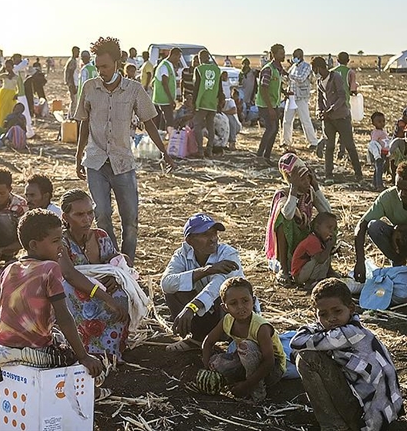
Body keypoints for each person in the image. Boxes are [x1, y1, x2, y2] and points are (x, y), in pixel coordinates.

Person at [0, 210, 104, 380]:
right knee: (75, 357)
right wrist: (83, 356)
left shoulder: (9, 269)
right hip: (35, 350)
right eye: (56, 241)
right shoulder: (50, 269)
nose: (61, 246)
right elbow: (64, 317)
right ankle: (94, 388)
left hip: (4, 343)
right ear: (33, 245)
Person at [75, 37, 175, 262]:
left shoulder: (133, 89)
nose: (101, 71)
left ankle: (127, 263)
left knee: (130, 220)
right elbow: (84, 123)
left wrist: (164, 152)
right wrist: (78, 155)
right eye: (98, 67)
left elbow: (149, 122)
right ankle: (113, 260)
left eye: (105, 66)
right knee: (102, 215)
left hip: (123, 163)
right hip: (95, 162)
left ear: (117, 63)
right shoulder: (90, 87)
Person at [291, 278, 403, 431]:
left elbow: (296, 342)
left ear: (351, 308)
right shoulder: (358, 330)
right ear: (316, 316)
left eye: (337, 311)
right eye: (323, 314)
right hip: (383, 414)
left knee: (307, 358)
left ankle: (334, 427)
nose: (331, 319)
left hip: (368, 417)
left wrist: (319, 325)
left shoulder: (347, 334)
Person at [58, 189, 134, 358]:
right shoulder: (61, 242)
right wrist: (106, 297)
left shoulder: (101, 236)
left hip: (101, 289)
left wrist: (115, 276)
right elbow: (69, 275)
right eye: (79, 214)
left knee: (122, 294)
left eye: (90, 212)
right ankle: (85, 351)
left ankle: (112, 352)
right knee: (71, 291)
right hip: (79, 291)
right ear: (65, 217)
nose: (87, 219)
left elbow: (118, 261)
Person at [161, 213, 244, 352]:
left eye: (214, 233)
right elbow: (166, 283)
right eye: (205, 234)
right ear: (189, 240)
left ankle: (235, 340)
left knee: (227, 294)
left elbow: (216, 288)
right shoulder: (182, 254)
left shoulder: (228, 255)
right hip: (207, 315)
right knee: (172, 291)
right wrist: (207, 270)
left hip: (232, 315)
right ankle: (197, 339)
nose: (213, 239)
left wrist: (191, 307)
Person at [353, 162, 407, 283]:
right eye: (398, 187)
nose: (401, 194)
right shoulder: (388, 197)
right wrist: (360, 261)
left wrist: (402, 228)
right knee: (374, 226)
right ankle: (398, 262)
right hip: (399, 243)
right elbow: (361, 225)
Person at [201, 277, 285, 401]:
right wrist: (206, 370)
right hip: (247, 361)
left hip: (272, 370)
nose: (240, 307)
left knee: (246, 347)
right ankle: (241, 382)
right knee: (215, 363)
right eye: (233, 303)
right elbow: (208, 342)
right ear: (225, 307)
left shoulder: (261, 327)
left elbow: (269, 361)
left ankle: (257, 393)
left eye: (245, 301)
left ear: (253, 301)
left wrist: (247, 385)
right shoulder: (227, 320)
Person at [265, 153, 331, 284]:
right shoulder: (283, 194)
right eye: (302, 179)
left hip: (305, 240)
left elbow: (327, 212)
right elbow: (288, 214)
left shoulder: (309, 192)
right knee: (282, 220)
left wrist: (316, 186)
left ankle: (328, 268)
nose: (307, 182)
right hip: (289, 245)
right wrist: (293, 188)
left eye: (308, 178)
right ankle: (283, 269)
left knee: (328, 222)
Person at [312, 56, 363, 183]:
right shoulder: (319, 82)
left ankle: (358, 174)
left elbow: (342, 97)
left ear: (318, 68)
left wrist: (330, 110)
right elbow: (319, 100)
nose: (314, 72)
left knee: (350, 146)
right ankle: (328, 175)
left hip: (341, 117)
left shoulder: (336, 77)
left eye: (314, 69)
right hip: (328, 119)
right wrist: (319, 112)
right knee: (329, 147)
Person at [255, 44, 286, 163]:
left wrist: (284, 92)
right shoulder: (268, 69)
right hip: (266, 105)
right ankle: (259, 156)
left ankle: (266, 157)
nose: (283, 55)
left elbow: (276, 84)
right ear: (273, 54)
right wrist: (270, 108)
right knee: (271, 129)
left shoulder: (278, 69)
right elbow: (264, 89)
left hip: (274, 104)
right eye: (281, 53)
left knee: (274, 130)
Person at [192, 50, 225, 158]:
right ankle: (209, 150)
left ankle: (200, 150)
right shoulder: (217, 70)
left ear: (200, 58)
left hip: (202, 102)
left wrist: (193, 103)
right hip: (212, 102)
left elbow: (196, 87)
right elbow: (220, 88)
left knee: (197, 124)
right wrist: (220, 101)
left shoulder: (199, 69)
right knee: (210, 125)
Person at [283, 48, 318, 149]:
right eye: (293, 56)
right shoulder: (293, 67)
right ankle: (286, 141)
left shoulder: (307, 67)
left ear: (301, 56)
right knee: (287, 121)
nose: (294, 58)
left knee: (305, 120)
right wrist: (283, 76)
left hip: (301, 97)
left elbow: (301, 78)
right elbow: (287, 80)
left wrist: (289, 75)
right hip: (291, 97)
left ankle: (313, 142)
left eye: (296, 56)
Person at [291, 212, 338, 286]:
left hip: (305, 271)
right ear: (317, 228)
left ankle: (319, 280)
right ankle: (312, 282)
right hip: (299, 274)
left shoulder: (319, 240)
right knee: (321, 258)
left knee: (326, 255)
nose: (332, 232)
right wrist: (329, 246)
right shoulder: (312, 240)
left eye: (334, 229)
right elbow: (320, 259)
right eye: (329, 228)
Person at [152, 48, 182, 132]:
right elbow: (164, 83)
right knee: (169, 120)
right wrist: (171, 99)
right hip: (164, 99)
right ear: (174, 55)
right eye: (178, 57)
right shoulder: (164, 66)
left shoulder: (169, 65)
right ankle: (170, 135)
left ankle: (163, 134)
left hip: (166, 98)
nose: (179, 59)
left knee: (164, 119)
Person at [0, 59, 18, 131]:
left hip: (11, 95)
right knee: (1, 110)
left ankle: (8, 128)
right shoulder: (4, 75)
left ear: (12, 67)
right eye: (6, 67)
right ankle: (0, 126)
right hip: (3, 94)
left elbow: (19, 88)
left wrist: (17, 94)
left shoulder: (16, 77)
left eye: (9, 67)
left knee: (10, 110)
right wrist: (2, 68)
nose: (8, 68)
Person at [369, 111, 390, 191]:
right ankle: (379, 185)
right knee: (379, 169)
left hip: (384, 153)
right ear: (373, 123)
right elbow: (373, 143)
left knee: (378, 169)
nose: (382, 123)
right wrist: (377, 154)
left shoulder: (383, 131)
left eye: (383, 121)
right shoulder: (376, 132)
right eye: (379, 122)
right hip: (379, 154)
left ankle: (375, 184)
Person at [64, 46, 80, 115]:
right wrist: (73, 85)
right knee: (74, 101)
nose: (78, 53)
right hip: (73, 84)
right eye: (78, 52)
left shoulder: (72, 60)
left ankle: (70, 115)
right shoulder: (72, 61)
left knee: (74, 101)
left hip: (73, 83)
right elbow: (70, 74)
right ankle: (72, 116)